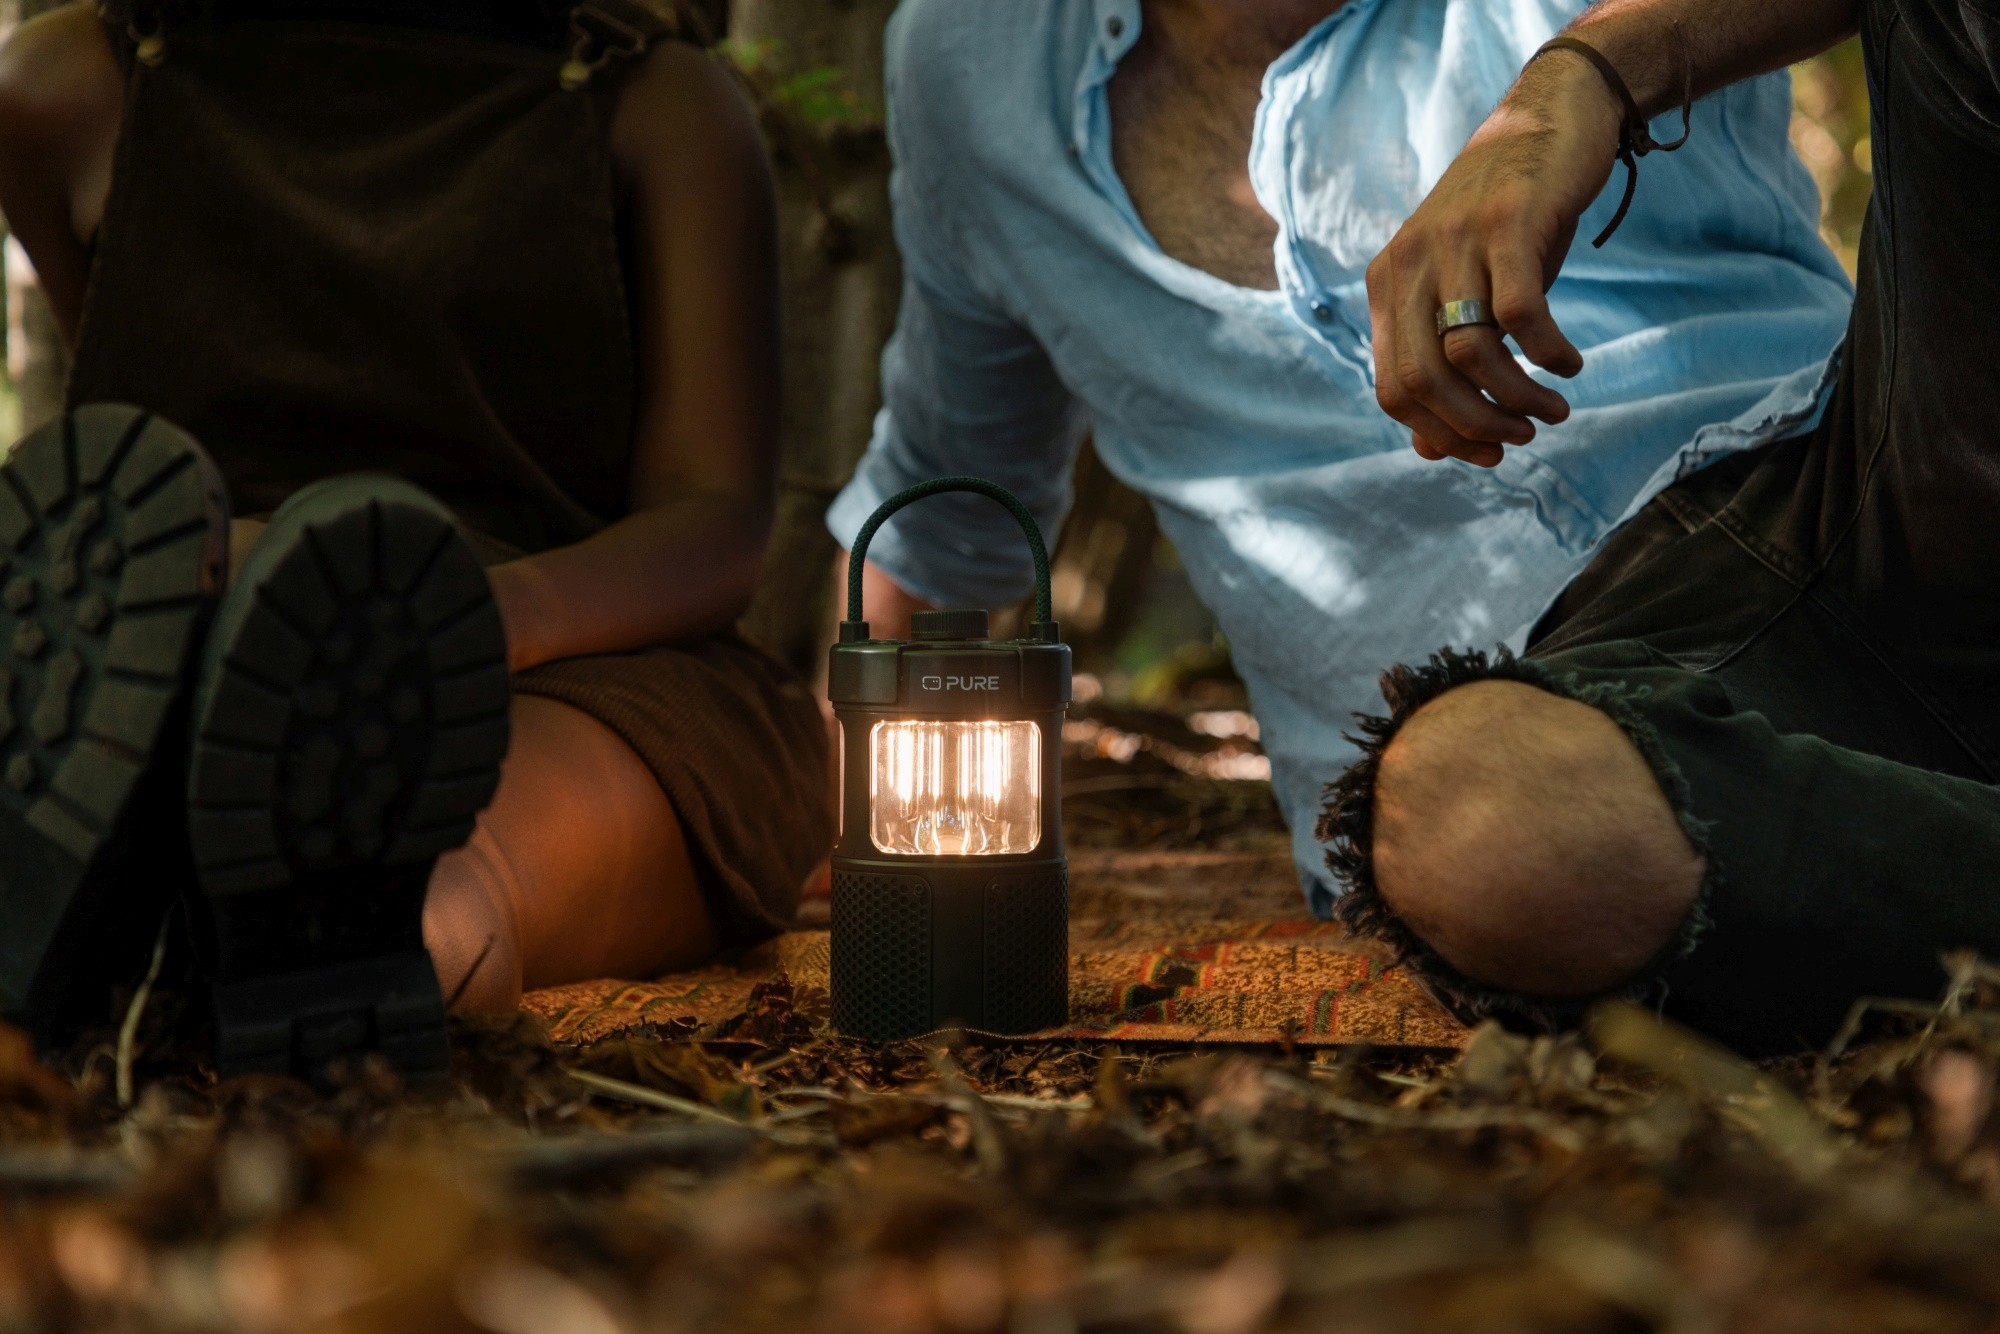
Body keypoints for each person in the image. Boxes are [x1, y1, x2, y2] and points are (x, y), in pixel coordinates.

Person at [830, 0, 1853, 914]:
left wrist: (1585, 74)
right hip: (1500, 798)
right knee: (1489, 822)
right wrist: (822, 821)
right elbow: (939, 514)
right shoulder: (967, 55)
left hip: (1840, 520)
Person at [0, 0, 832, 1076]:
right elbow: (139, 475)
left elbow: (714, 526)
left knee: (441, 847)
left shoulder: (657, 107)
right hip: (208, 631)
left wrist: (483, 621)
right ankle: (190, 889)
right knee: (270, 685)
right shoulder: (69, 92)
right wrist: (247, 585)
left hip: (585, 652)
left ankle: (292, 939)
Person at [1330, 0, 2000, 1053]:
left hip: (1914, 471)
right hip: (1821, 639)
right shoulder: (996, 94)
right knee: (1486, 815)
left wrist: (1581, 76)